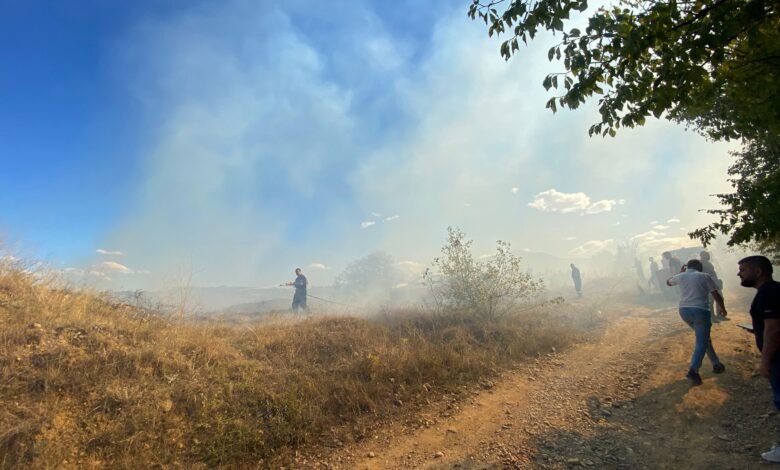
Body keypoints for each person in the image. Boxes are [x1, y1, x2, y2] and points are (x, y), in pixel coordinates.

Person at [737, 255, 780, 463]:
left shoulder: (768, 292)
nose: (739, 274)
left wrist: (765, 361)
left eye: (743, 270)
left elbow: (773, 329)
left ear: (759, 271)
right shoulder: (772, 290)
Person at [666, 259, 727, 385]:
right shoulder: (704, 276)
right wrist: (722, 307)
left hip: (684, 311)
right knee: (701, 341)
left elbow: (668, 283)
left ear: (687, 267)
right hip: (700, 311)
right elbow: (715, 294)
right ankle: (693, 371)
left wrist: (680, 272)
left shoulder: (680, 276)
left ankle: (716, 364)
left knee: (704, 338)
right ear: (699, 267)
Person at [700, 250, 726, 321]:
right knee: (712, 300)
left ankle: (719, 315)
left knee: (719, 299)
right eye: (704, 255)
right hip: (709, 283)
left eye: (706, 255)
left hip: (714, 282)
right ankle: (713, 317)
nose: (707, 256)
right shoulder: (701, 264)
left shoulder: (707, 263)